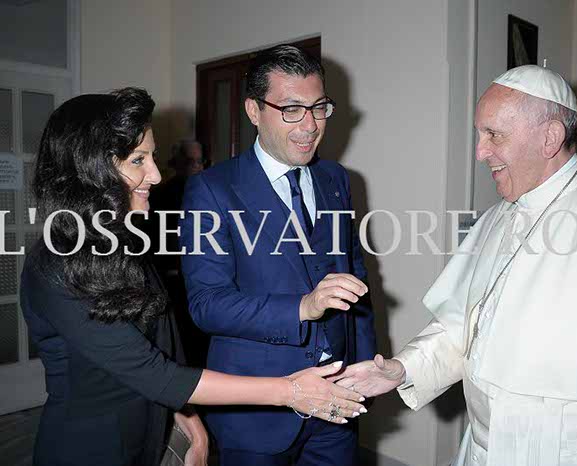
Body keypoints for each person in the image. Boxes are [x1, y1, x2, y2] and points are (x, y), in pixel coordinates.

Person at [332, 65, 577, 465]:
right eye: (480, 134)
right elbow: (465, 328)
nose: (480, 152)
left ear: (550, 137)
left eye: (494, 135)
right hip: (481, 448)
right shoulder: (497, 217)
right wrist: (402, 369)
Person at [20, 87, 367, 466]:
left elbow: (164, 350)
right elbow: (154, 372)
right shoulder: (54, 267)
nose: (155, 174)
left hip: (148, 438)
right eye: (138, 160)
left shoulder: (121, 246)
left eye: (152, 157)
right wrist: (289, 391)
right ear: (89, 171)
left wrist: (187, 418)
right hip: (87, 449)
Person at [180, 45, 376, 465]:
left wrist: (363, 371)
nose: (310, 125)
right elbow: (206, 305)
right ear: (254, 111)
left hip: (337, 404)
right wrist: (302, 307)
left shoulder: (336, 179)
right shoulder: (211, 189)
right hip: (256, 415)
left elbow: (355, 280)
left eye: (319, 108)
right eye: (291, 109)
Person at [149, 140, 208, 366]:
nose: (197, 167)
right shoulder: (160, 196)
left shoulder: (210, 193)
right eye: (192, 162)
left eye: (200, 161)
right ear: (178, 163)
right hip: (173, 280)